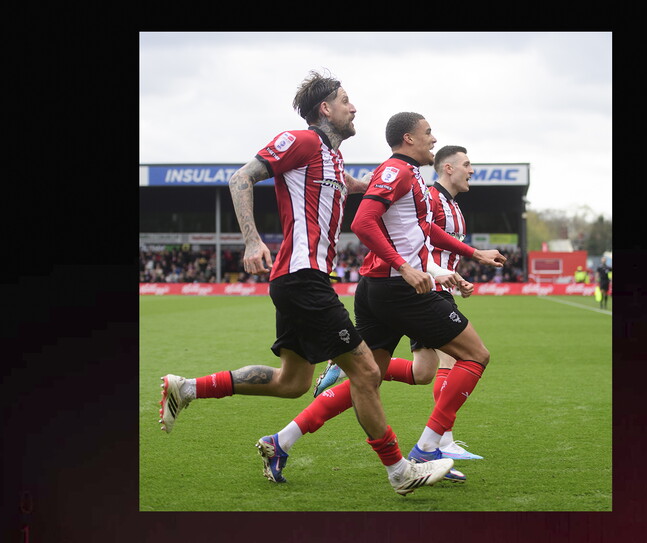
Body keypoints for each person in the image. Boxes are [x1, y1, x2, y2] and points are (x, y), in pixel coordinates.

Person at [157, 71, 453, 496]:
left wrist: (396, 174)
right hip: (302, 278)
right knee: (367, 371)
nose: (355, 108)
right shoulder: (303, 140)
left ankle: (186, 388)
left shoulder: (332, 158)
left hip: (302, 279)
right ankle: (400, 471)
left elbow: (355, 187)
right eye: (346, 100)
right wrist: (252, 240)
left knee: (292, 383)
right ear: (325, 109)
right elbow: (240, 178)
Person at [257, 114, 505, 483]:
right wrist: (405, 267)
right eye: (428, 133)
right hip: (400, 289)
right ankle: (428, 448)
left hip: (382, 288)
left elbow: (426, 230)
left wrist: (474, 255)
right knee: (475, 355)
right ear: (408, 138)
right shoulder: (397, 171)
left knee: (367, 377)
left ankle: (282, 440)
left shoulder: (413, 178)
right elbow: (362, 222)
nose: (433, 140)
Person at [312, 144, 484, 460]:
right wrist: (427, 271)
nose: (471, 170)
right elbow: (383, 228)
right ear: (448, 168)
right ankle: (437, 443)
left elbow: (427, 234)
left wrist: (468, 258)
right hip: (413, 285)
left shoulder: (444, 199)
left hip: (417, 282)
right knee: (467, 357)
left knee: (415, 372)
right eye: (467, 164)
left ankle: (285, 437)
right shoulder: (421, 189)